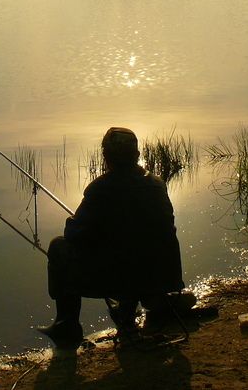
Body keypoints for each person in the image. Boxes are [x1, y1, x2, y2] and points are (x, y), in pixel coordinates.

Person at [38, 127, 184, 349]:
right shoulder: (157, 185)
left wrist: (73, 222)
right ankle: (128, 313)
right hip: (162, 277)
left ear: (106, 157)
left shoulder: (100, 189)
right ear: (136, 154)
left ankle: (67, 326)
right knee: (130, 252)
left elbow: (73, 235)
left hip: (118, 279)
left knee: (59, 246)